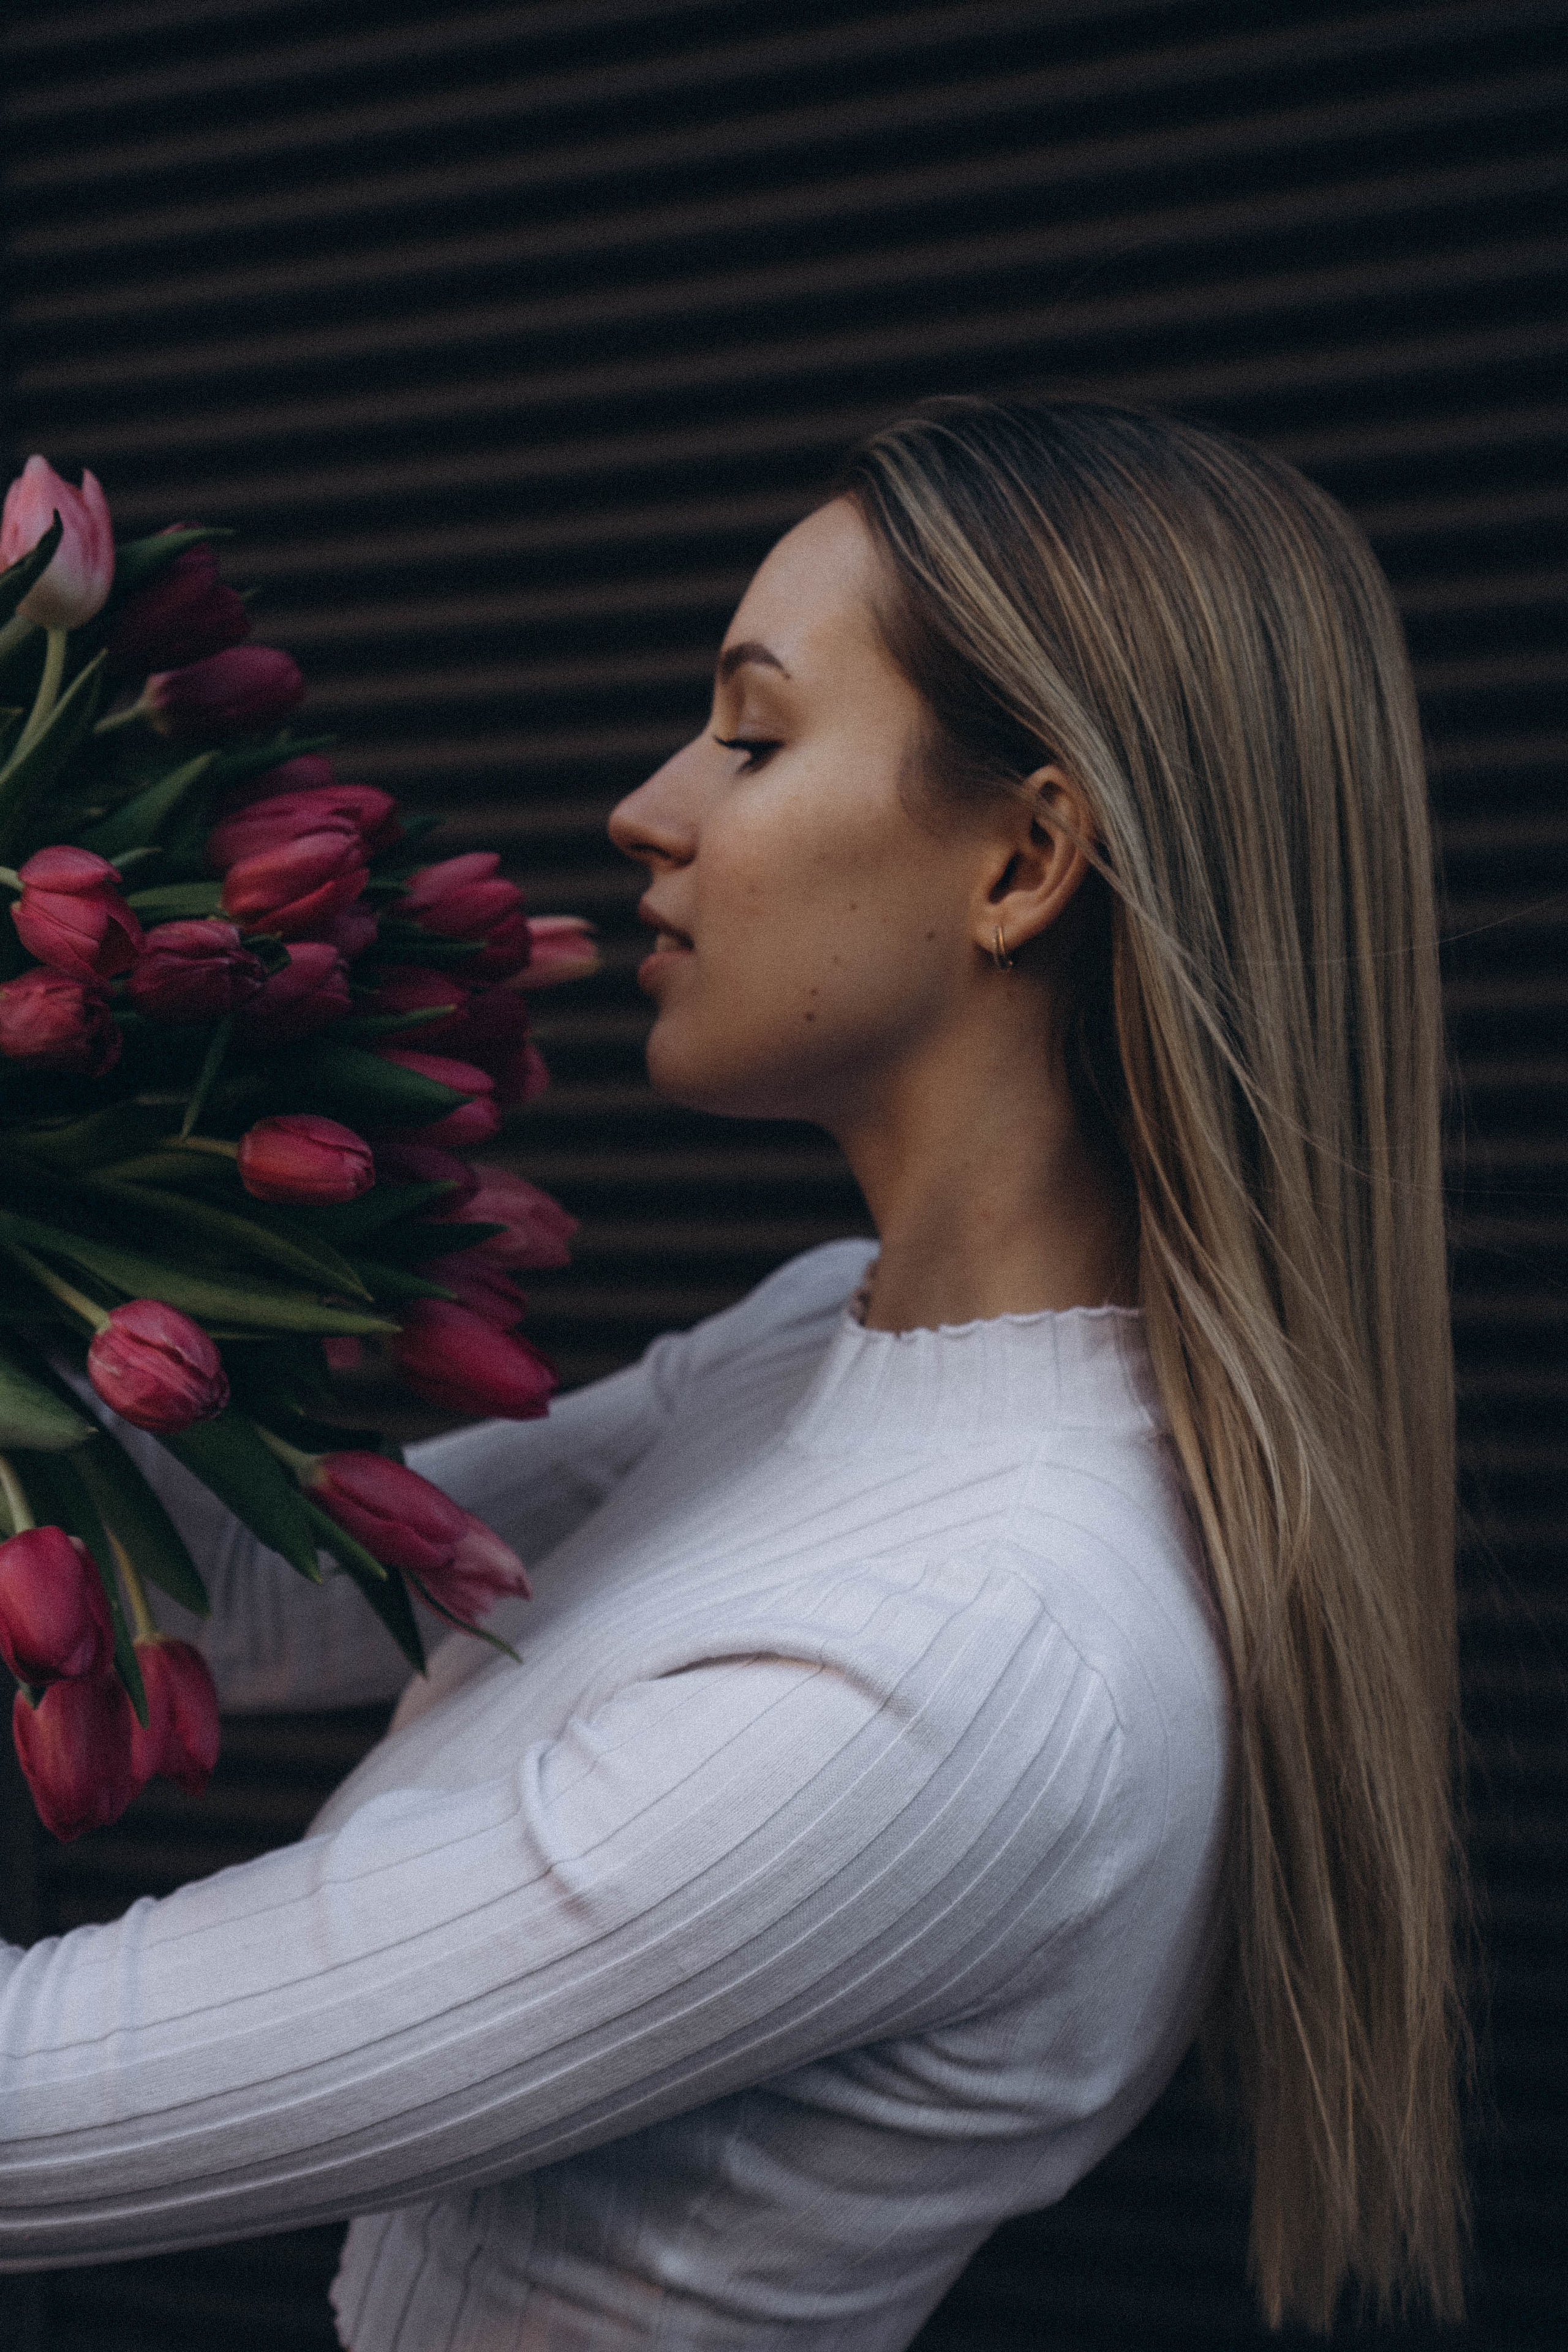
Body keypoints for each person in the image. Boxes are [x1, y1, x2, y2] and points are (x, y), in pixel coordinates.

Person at [0, 399, 1466, 2348]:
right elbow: (251, 1588)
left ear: (1028, 862)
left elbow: (35, 2113)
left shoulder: (957, 1667)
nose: (649, 807)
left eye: (755, 736)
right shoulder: (832, 1335)